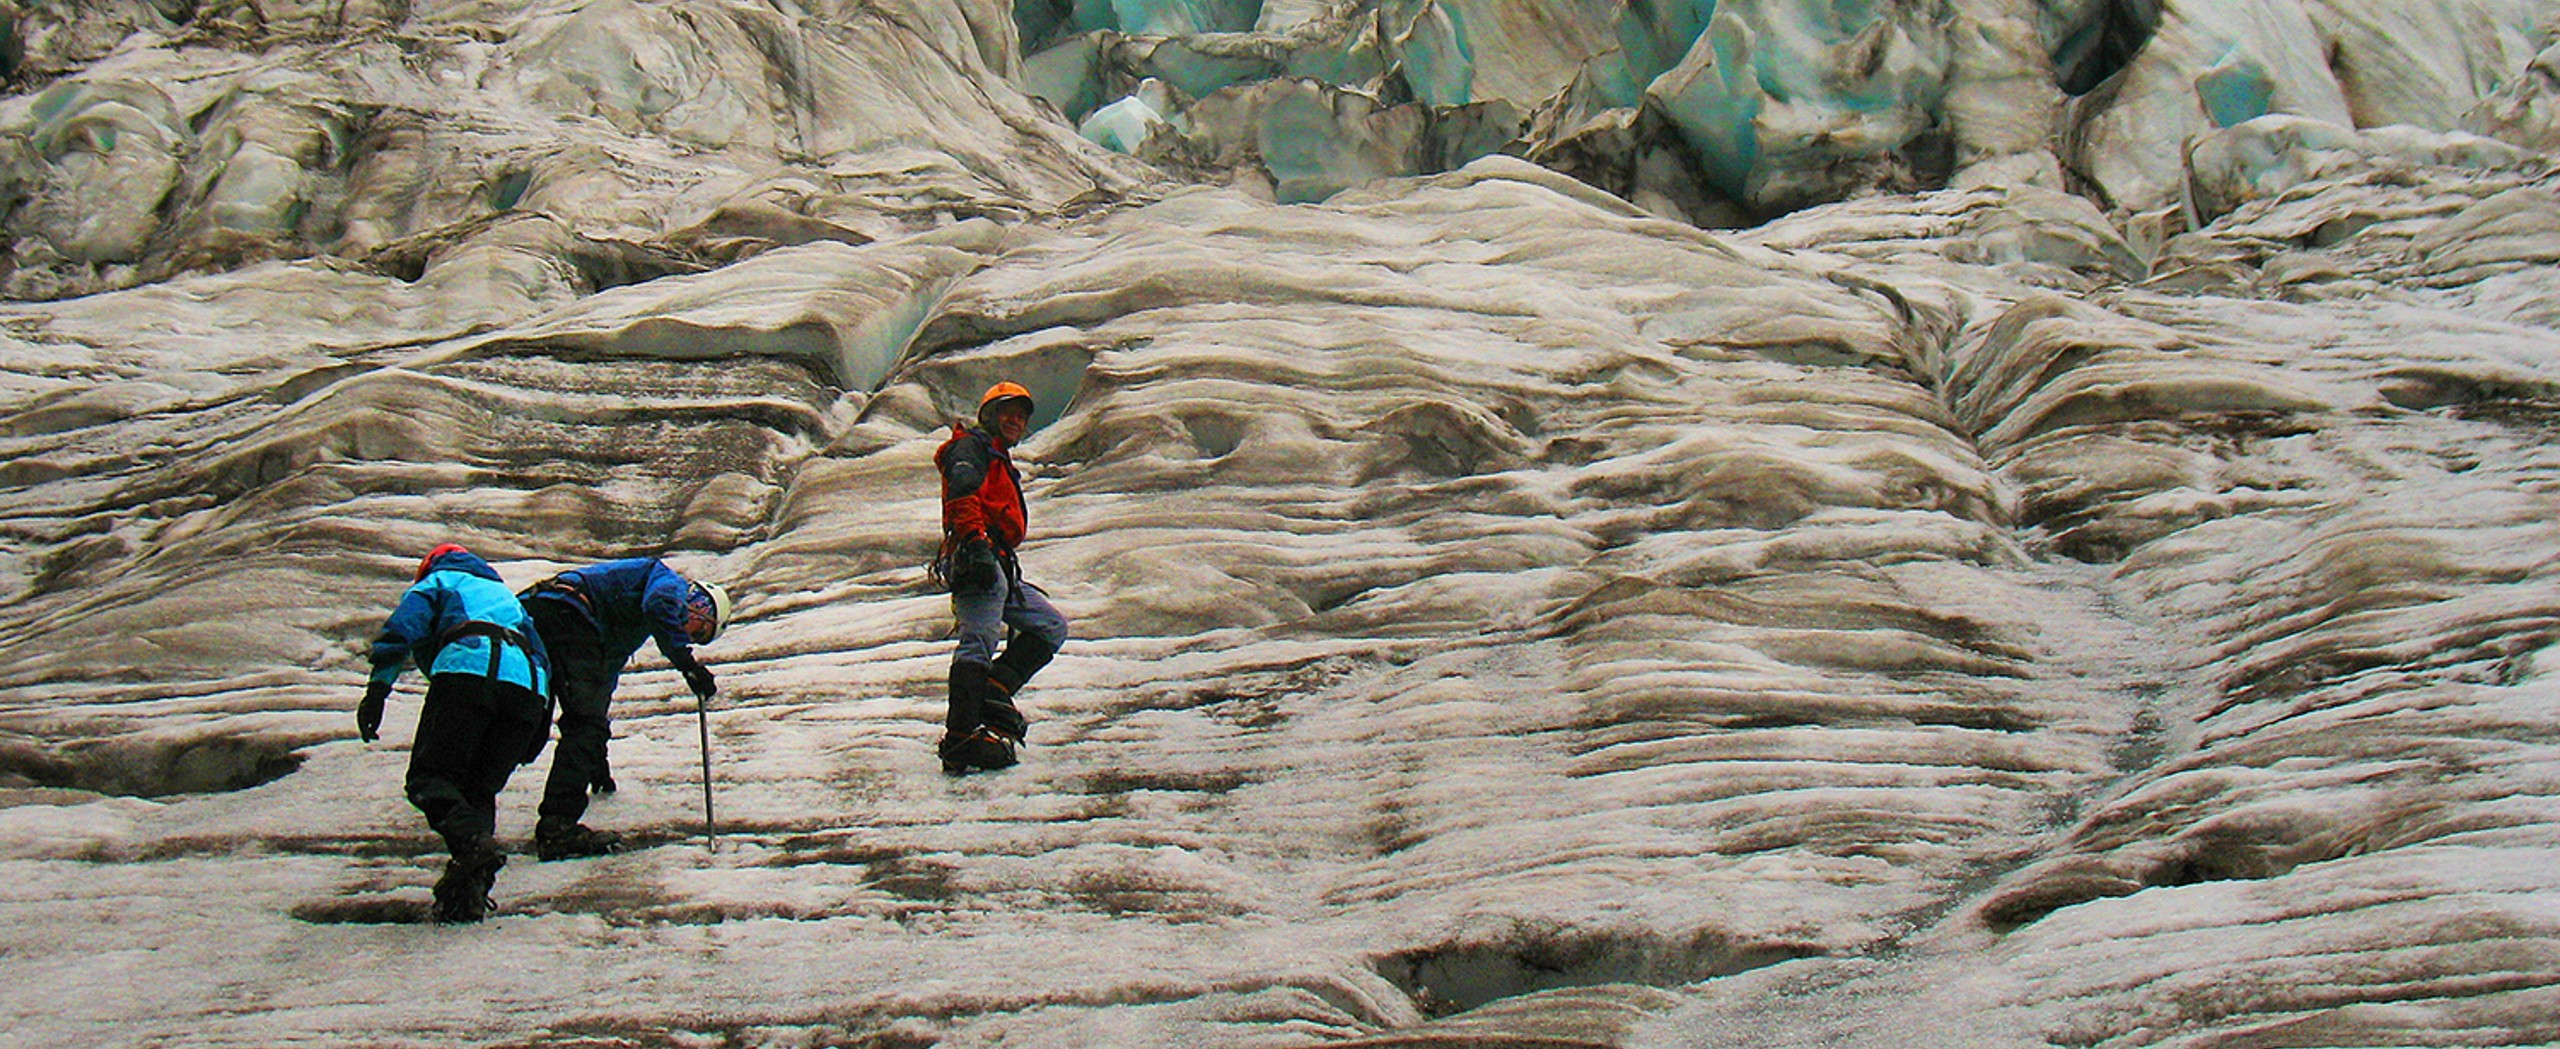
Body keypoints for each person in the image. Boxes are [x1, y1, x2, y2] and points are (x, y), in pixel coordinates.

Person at [360, 543, 552, 924]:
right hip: (529, 690)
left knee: (429, 779)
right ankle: (469, 895)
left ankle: (472, 845)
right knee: (478, 791)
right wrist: (537, 730)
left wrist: (378, 689)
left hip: (470, 670)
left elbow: (403, 627)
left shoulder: (441, 580)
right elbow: (545, 658)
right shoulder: (507, 600)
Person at [517, 560, 730, 859]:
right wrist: (688, 664)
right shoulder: (670, 584)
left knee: (528, 716)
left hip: (542, 610)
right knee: (582, 724)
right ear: (701, 606)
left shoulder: (625, 622)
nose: (691, 634)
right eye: (700, 631)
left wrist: (595, 758)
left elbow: (600, 684)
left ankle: (469, 810)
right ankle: (557, 828)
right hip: (569, 613)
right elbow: (660, 606)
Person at [933, 381, 1071, 774]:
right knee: (979, 639)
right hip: (978, 554)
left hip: (997, 560)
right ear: (989, 415)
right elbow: (961, 492)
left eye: (1022, 415)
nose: (1016, 420)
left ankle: (993, 691)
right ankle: (960, 736)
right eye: (1008, 412)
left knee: (1049, 627)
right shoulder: (971, 448)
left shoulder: (993, 455)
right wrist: (974, 542)